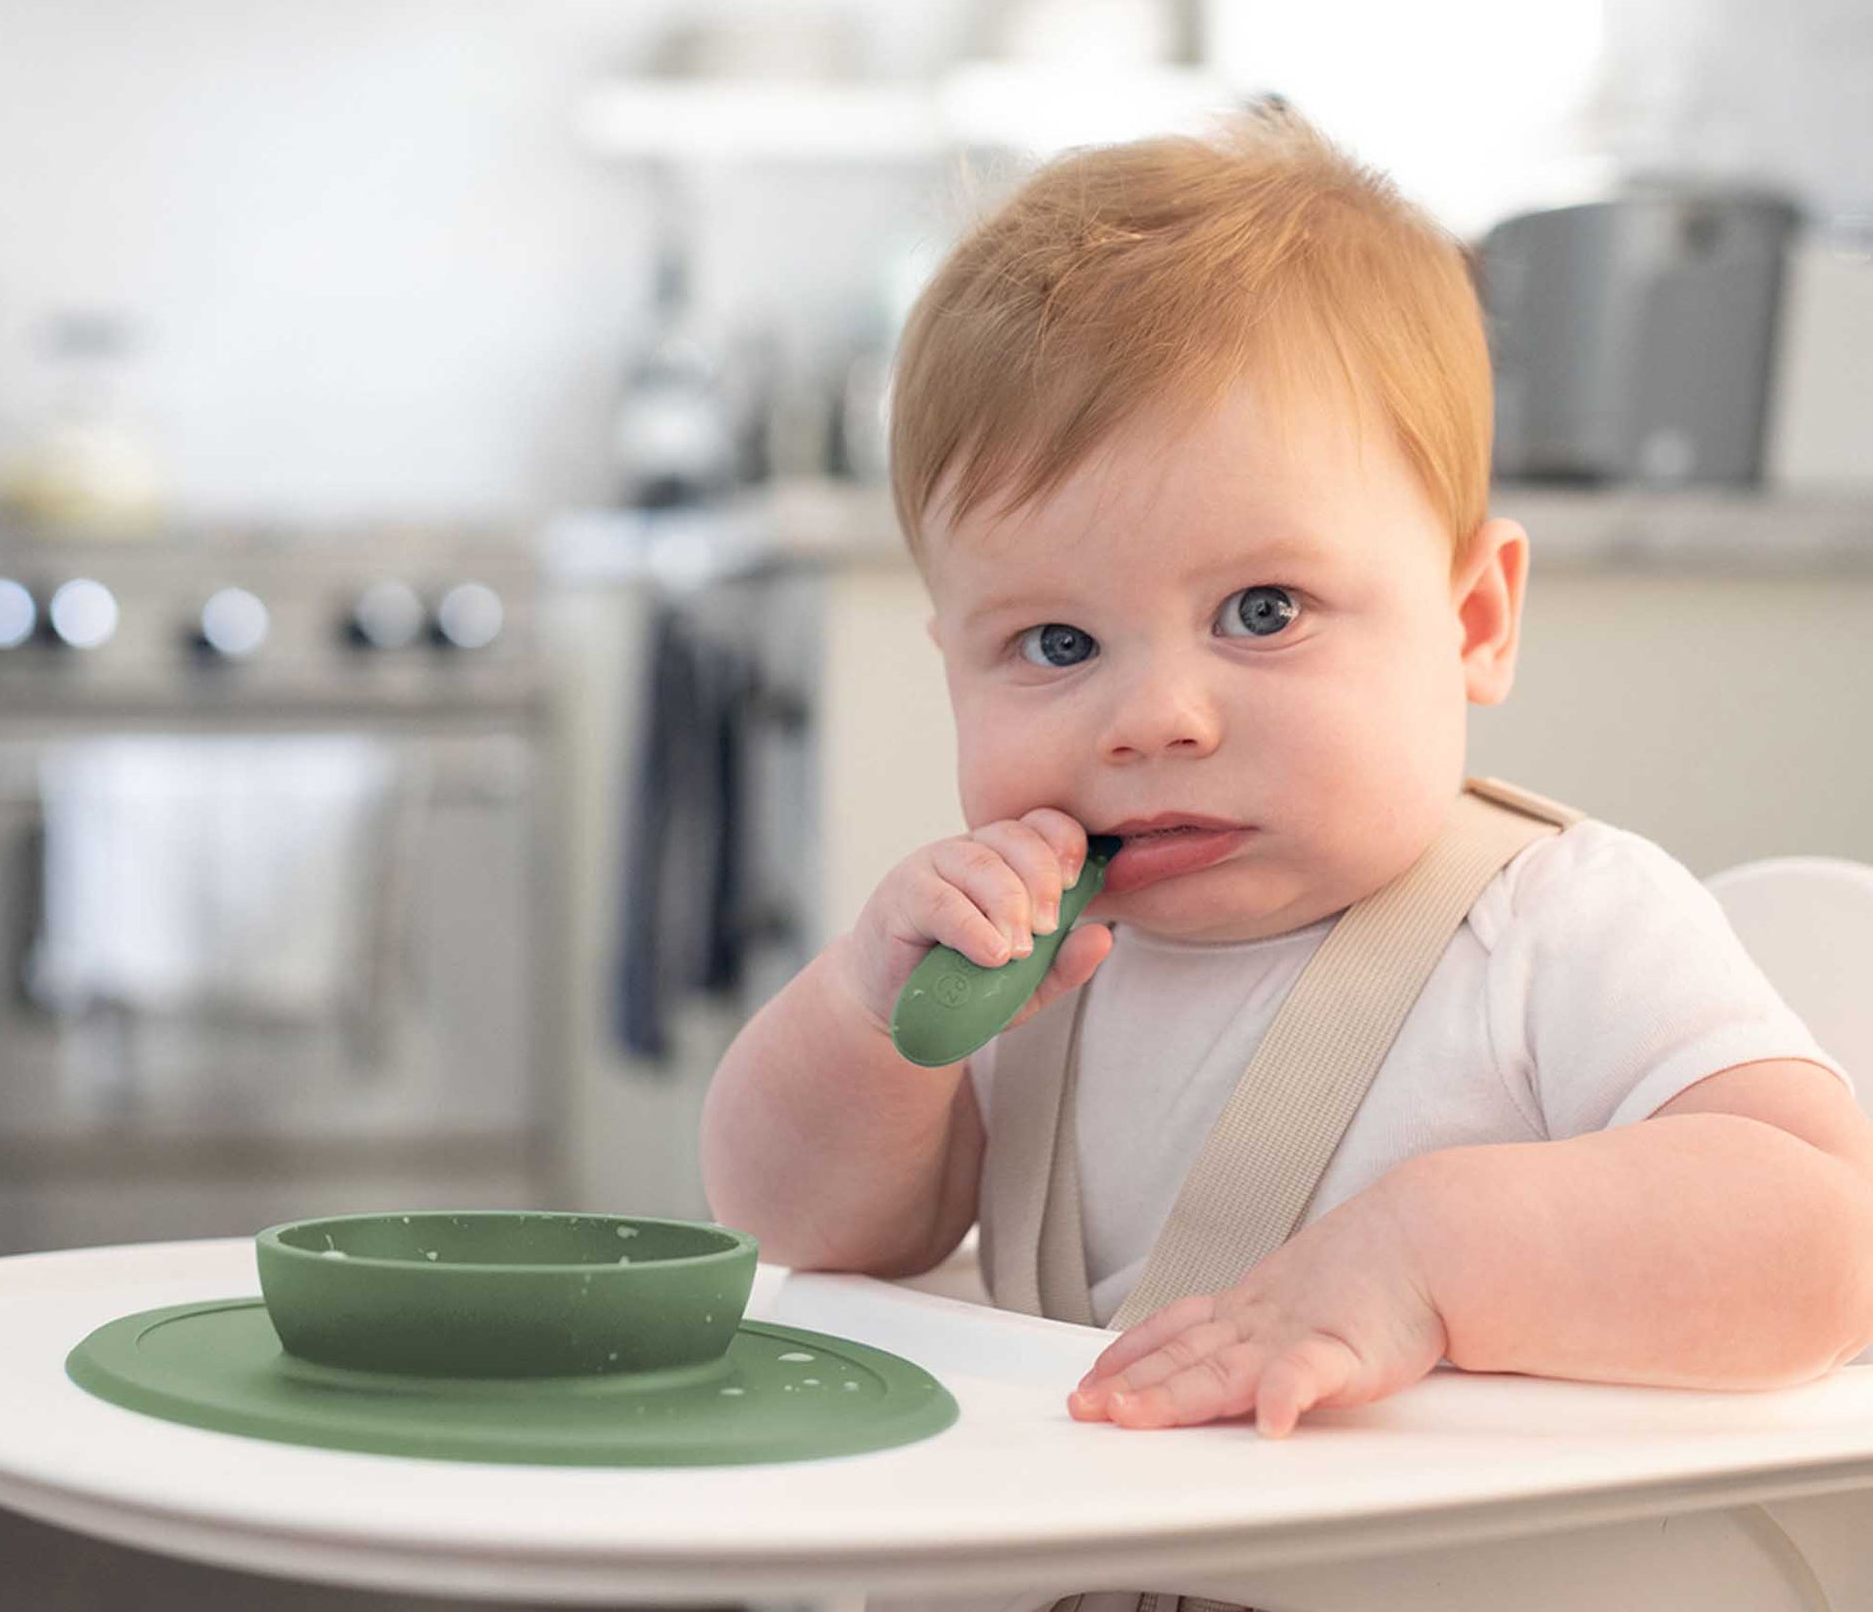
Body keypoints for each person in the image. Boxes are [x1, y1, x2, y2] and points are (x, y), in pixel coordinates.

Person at [699, 105, 1873, 1446]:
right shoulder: (1026, 963)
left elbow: (1824, 1242)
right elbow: (797, 1227)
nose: (1154, 718)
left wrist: (1432, 1258)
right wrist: (866, 1014)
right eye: (1056, 641)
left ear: (1473, 621)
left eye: (1262, 610)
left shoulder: (1557, 927)